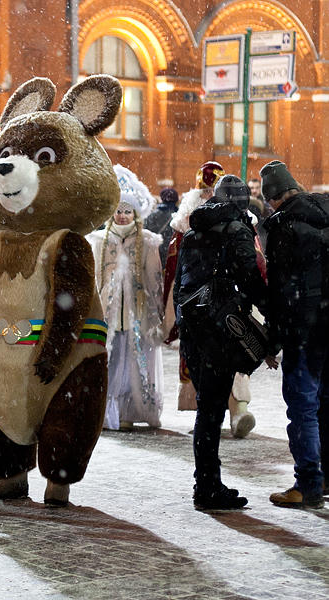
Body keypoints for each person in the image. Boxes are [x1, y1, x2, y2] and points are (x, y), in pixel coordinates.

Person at [174, 174, 268, 510]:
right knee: (212, 410)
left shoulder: (194, 231)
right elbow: (250, 278)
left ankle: (207, 481)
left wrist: (184, 327)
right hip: (221, 330)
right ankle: (208, 487)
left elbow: (179, 286)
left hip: (195, 330)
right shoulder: (236, 230)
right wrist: (271, 317)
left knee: (207, 410)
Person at [260, 160, 329, 509]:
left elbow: (280, 291)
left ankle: (308, 484)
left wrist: (272, 339)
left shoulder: (282, 226)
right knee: (326, 404)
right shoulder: (326, 211)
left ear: (272, 198)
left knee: (303, 407)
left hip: (303, 331)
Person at [86, 165, 164, 431]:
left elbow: (155, 281)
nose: (121, 216)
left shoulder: (148, 241)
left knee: (133, 361)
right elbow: (93, 278)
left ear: (135, 213)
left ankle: (129, 411)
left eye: (126, 211)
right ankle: (106, 411)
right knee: (109, 360)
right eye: (117, 211)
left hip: (136, 313)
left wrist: (156, 315)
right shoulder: (97, 241)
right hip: (106, 313)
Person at [144, 187, 179, 267]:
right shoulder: (179, 215)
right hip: (173, 252)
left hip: (155, 251)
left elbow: (145, 232)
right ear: (176, 200)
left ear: (162, 198)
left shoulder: (152, 215)